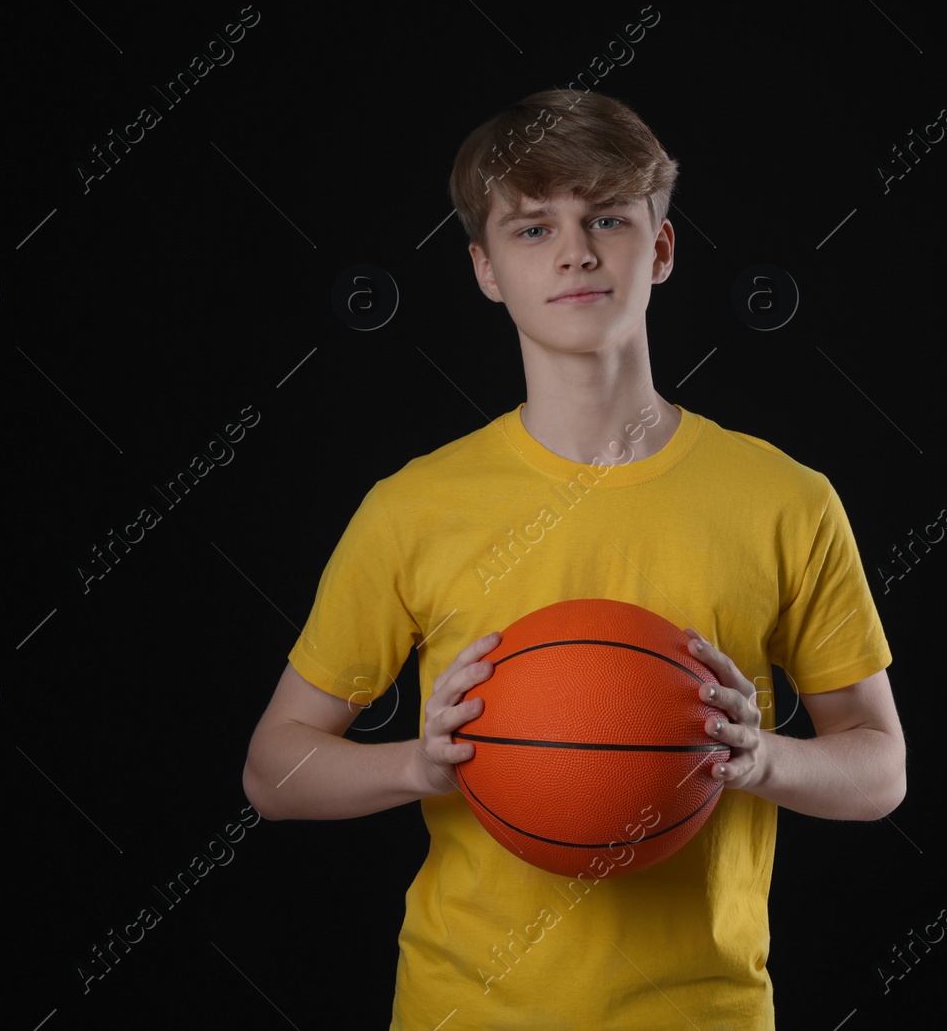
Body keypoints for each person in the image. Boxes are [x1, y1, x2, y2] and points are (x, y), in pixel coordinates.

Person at [242, 89, 906, 1029]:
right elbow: (274, 769)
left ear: (662, 248)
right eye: (531, 228)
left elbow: (881, 769)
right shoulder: (413, 509)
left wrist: (758, 758)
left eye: (606, 218)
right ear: (484, 270)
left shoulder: (785, 499)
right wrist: (421, 766)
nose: (576, 252)